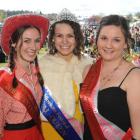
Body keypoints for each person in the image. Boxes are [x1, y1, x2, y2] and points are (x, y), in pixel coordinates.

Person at [80, 15, 140, 140]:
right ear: (96, 40)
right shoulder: (88, 71)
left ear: (125, 43)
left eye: (116, 40)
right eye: (104, 38)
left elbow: (138, 134)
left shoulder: (134, 76)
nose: (108, 45)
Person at [39, 9, 93, 140]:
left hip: (78, 131)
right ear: (52, 38)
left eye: (70, 36)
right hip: (48, 131)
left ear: (77, 38)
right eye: (59, 36)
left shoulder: (88, 64)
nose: (64, 41)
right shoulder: (41, 65)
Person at [0, 14, 49, 140]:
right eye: (27, 41)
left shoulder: (37, 73)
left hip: (37, 134)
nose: (33, 47)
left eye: (37, 41)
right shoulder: (4, 81)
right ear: (14, 44)